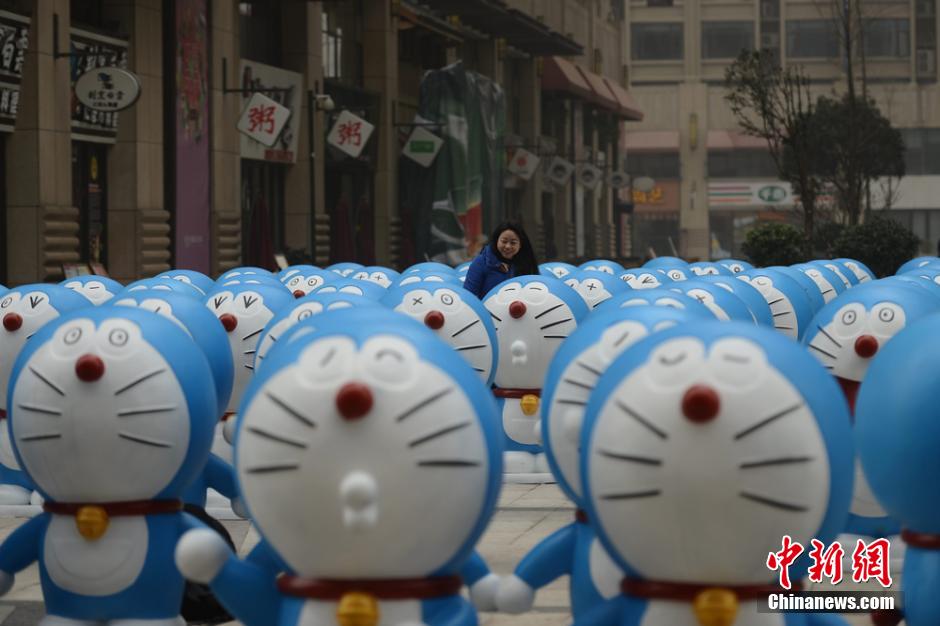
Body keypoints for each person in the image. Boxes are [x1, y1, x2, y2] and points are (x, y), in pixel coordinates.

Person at [464, 221, 539, 299]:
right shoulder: (481, 262)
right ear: (496, 241)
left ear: (520, 245)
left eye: (513, 243)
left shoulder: (526, 263)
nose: (507, 246)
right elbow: (469, 295)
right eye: (504, 241)